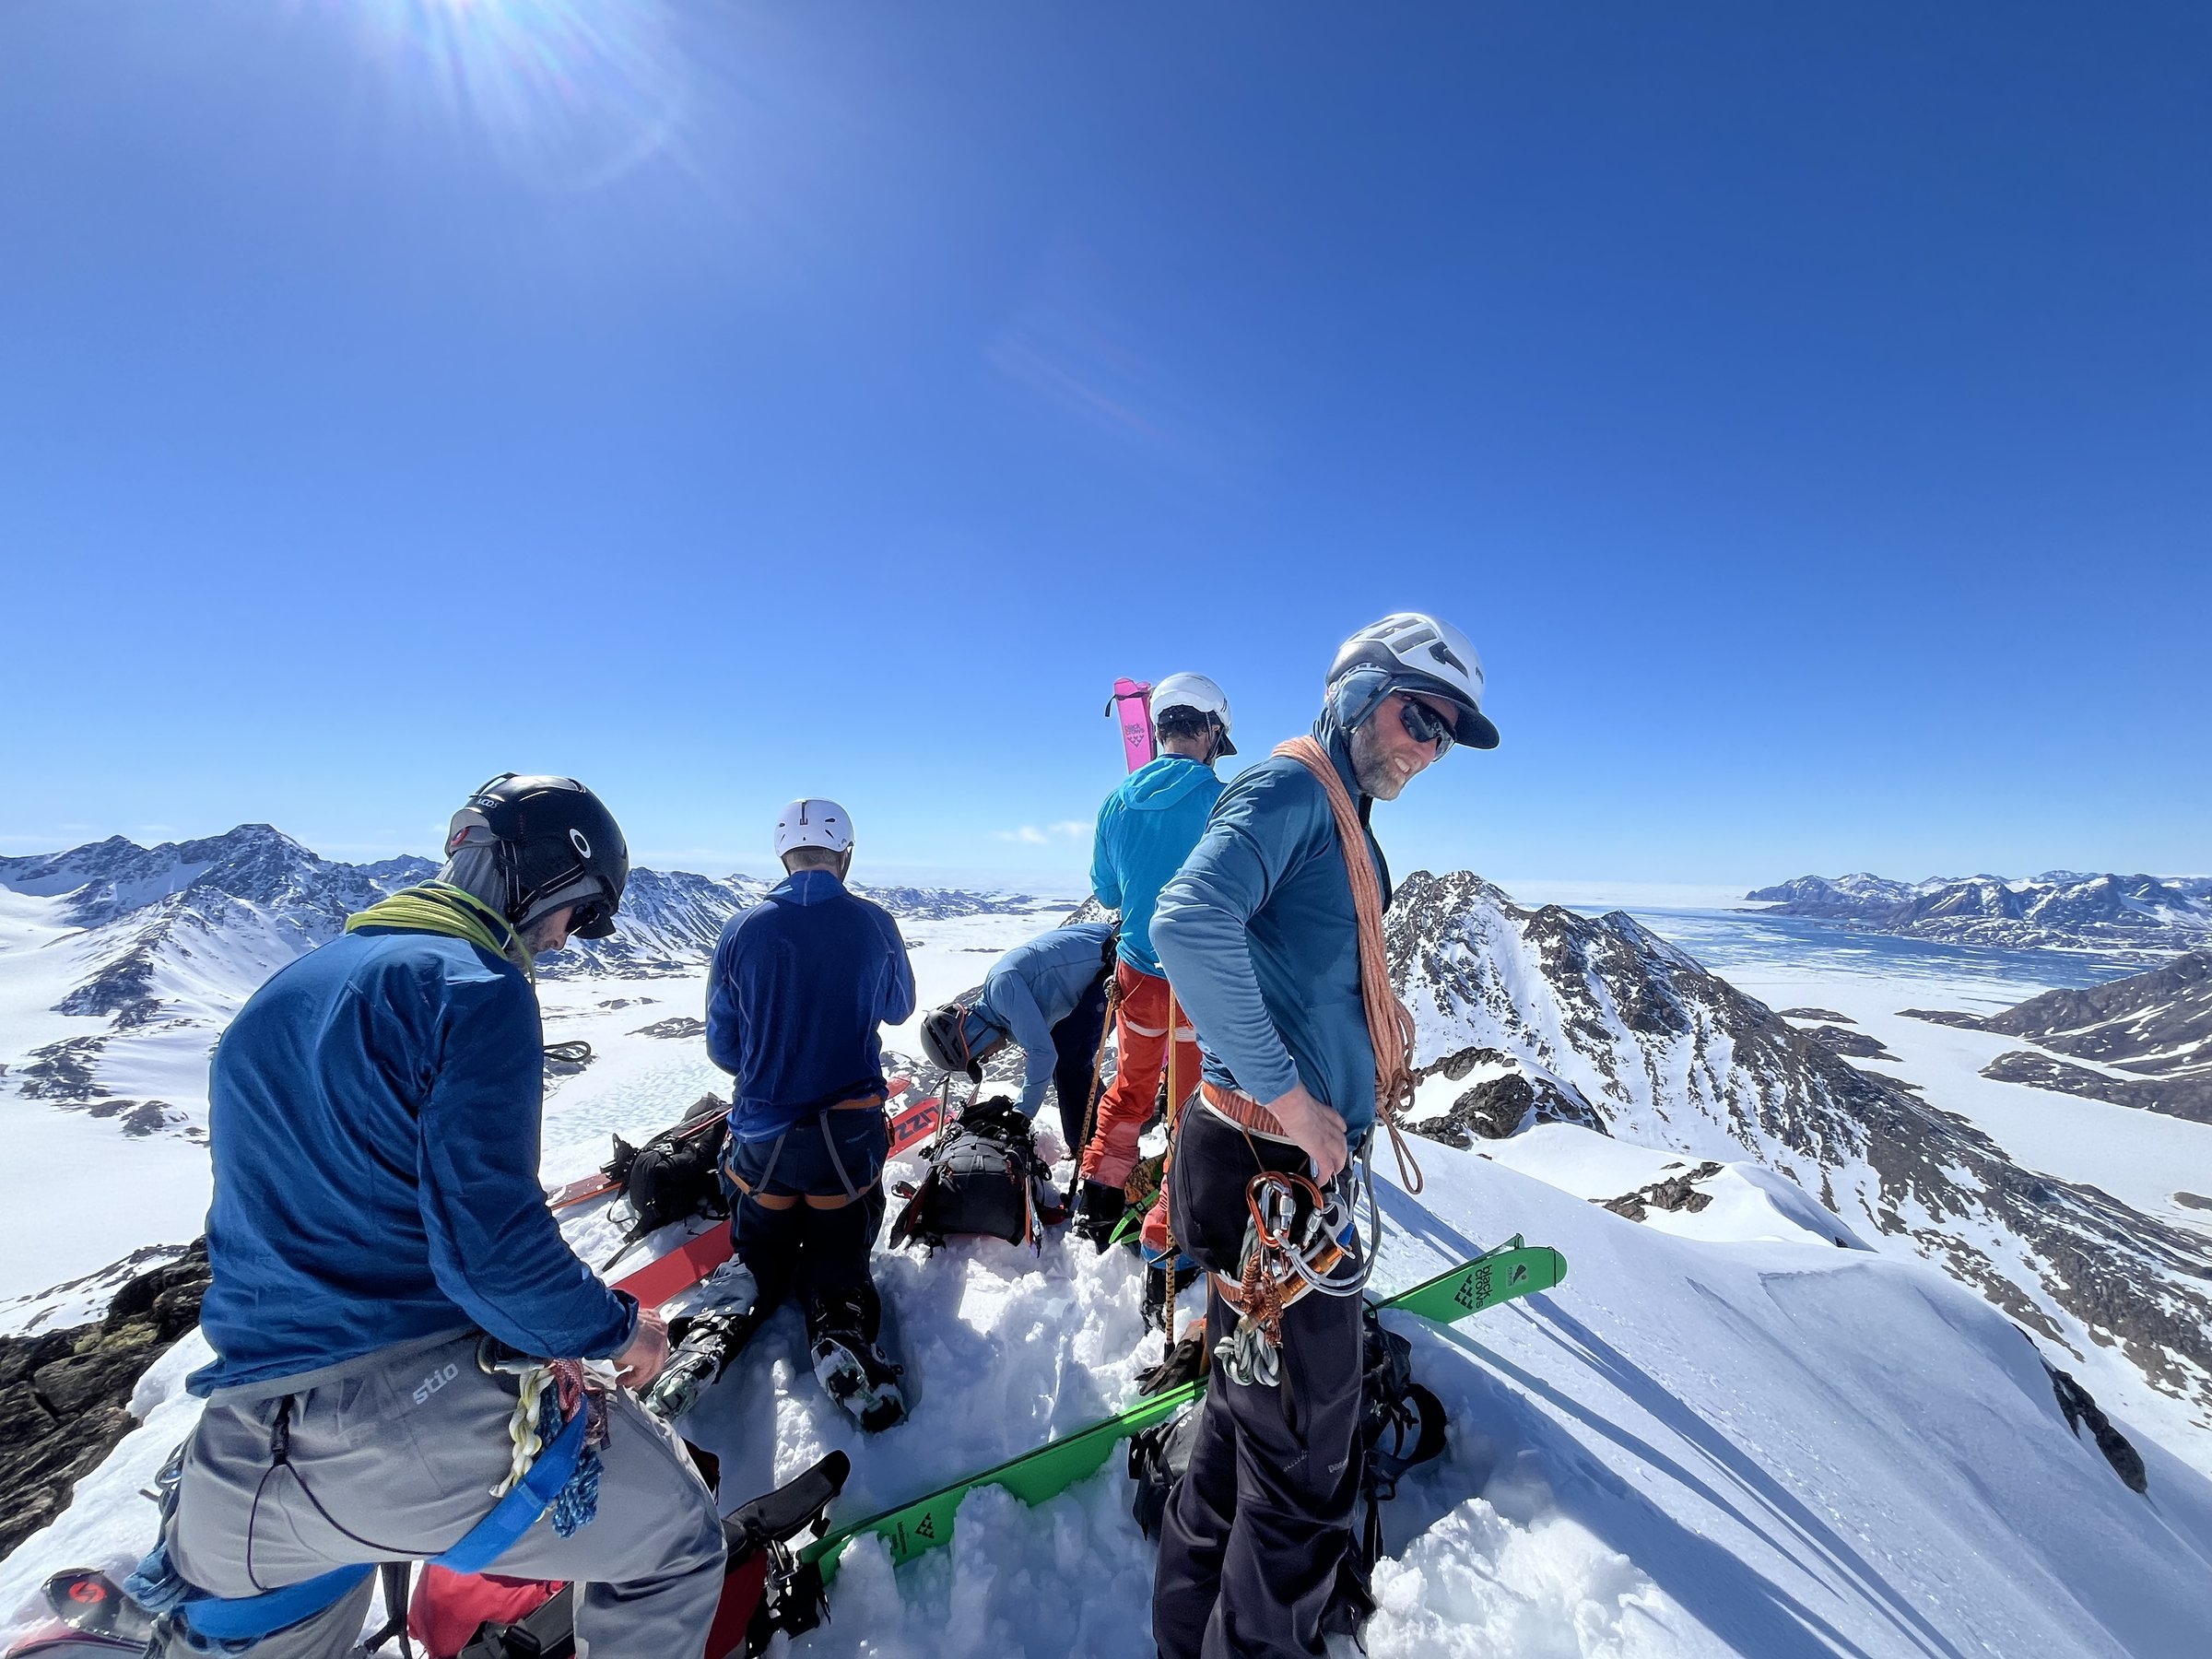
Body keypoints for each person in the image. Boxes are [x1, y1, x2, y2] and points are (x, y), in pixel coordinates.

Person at [150, 775, 724, 1659]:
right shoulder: (476, 987)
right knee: (677, 1545)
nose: (568, 938)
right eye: (579, 913)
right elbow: (491, 1257)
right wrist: (622, 1331)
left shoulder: (276, 996)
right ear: (548, 876)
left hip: (237, 1461)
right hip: (402, 1423)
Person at [1149, 614, 1499, 1658]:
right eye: (1416, 714)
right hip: (1277, 1170)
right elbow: (1187, 918)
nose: (1427, 748)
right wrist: (1297, 1103)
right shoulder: (1295, 789)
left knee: (1242, 1427)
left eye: (1445, 734)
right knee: (1306, 1463)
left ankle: (1187, 1631)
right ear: (1355, 693)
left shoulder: (1335, 804)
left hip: (1267, 1167)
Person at [705, 798, 915, 1431]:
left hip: (762, 1148)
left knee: (762, 1239)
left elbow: (724, 1049)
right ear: (845, 855)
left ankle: (723, 1317)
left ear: (782, 853)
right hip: (844, 1148)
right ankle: (840, 1316)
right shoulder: (875, 925)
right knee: (838, 1245)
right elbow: (900, 1008)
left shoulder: (739, 930)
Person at [1069, 673, 1232, 1249]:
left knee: (1132, 1085)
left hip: (1137, 973)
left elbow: (1108, 894)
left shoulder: (1117, 802)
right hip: (1200, 979)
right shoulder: (1224, 802)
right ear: (1212, 731)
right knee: (1192, 1106)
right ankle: (1165, 1232)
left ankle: (1098, 1194)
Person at [919, 919, 1117, 1158]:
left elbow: (1043, 1054)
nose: (989, 1058)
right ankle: (1102, 1135)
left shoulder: (1002, 990)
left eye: (980, 1056)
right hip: (1109, 956)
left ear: (971, 1039)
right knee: (1067, 1056)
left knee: (1067, 1058)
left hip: (1115, 961)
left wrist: (1021, 1115)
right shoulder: (999, 1000)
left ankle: (1094, 1147)